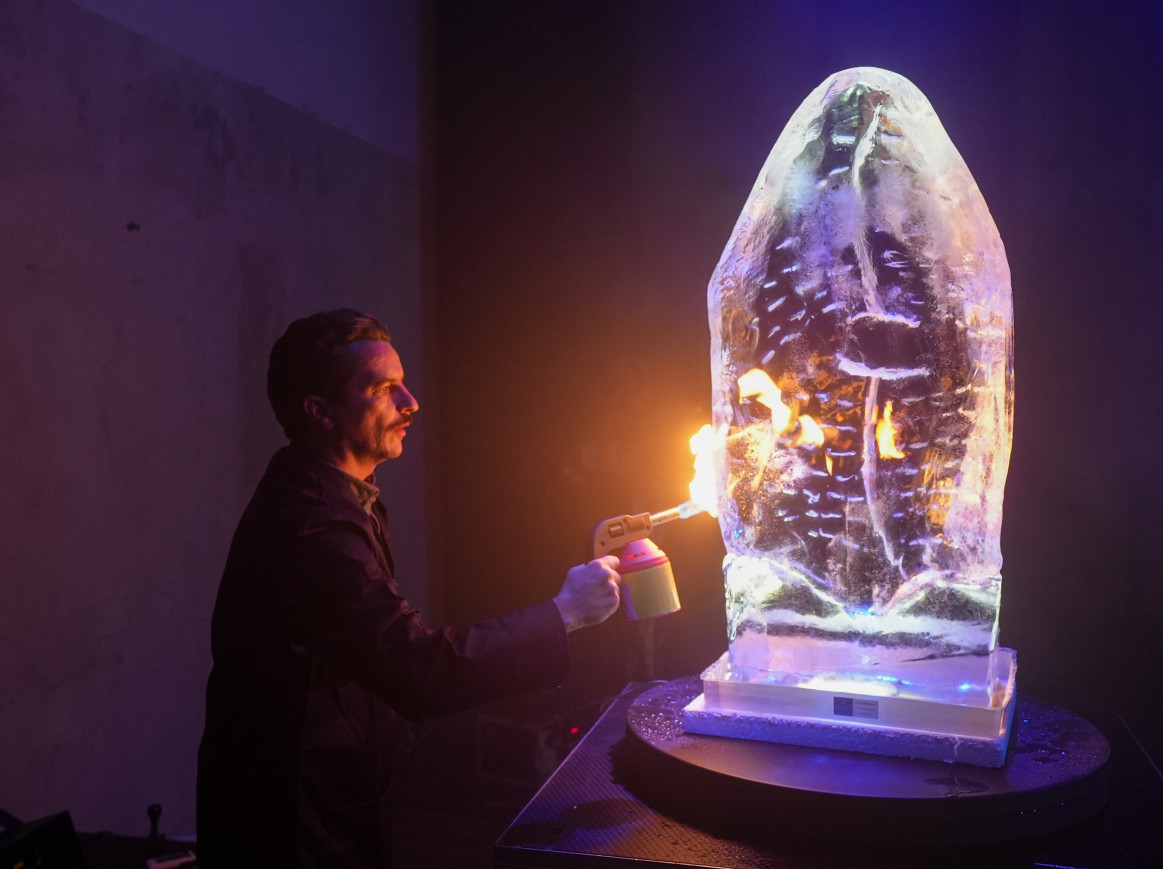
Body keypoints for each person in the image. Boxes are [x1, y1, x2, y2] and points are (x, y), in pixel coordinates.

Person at [196, 309, 621, 868]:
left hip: (326, 802)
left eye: (403, 382)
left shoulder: (340, 495)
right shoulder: (312, 527)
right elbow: (417, 668)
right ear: (320, 412)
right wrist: (563, 613)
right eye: (383, 389)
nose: (411, 402)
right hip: (296, 825)